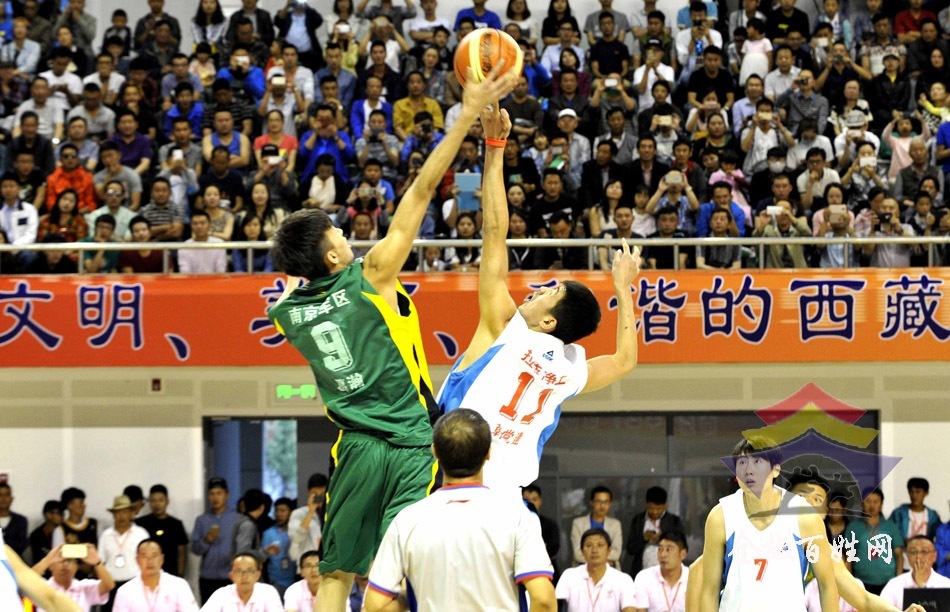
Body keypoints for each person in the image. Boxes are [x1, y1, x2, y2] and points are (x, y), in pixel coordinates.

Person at [267, 64, 515, 612]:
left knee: (335, 571)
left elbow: (290, 282)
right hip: (407, 444)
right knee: (398, 576)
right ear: (333, 255)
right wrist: (468, 111)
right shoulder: (373, 274)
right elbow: (424, 189)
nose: (345, 228)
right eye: (336, 229)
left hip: (354, 446)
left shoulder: (289, 313)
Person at [437, 100, 639, 494]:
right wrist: (623, 290)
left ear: (549, 323)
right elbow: (625, 360)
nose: (539, 289)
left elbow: (494, 232)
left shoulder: (505, 327)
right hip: (507, 501)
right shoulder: (571, 369)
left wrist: (494, 146)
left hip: (450, 481)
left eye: (551, 292)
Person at [363, 408, 556, 612]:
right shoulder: (517, 516)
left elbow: (376, 606)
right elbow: (543, 600)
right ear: (489, 452)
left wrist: (406, 600)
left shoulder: (407, 520)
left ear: (435, 452)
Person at [699, 437, 839, 611]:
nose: (749, 470)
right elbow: (709, 590)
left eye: (757, 462)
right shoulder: (720, 517)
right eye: (742, 463)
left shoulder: (804, 516)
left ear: (776, 469)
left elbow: (827, 585)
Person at [556, 527, 635, 611]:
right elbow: (558, 607)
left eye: (600, 545)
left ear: (609, 550)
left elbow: (629, 609)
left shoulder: (623, 579)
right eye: (589, 545)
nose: (594, 550)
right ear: (582, 551)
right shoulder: (569, 576)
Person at [191, 477, 243, 604]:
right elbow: (195, 549)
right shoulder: (202, 520)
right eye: (212, 494)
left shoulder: (238, 519)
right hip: (208, 577)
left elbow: (245, 547)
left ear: (227, 495)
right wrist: (206, 540)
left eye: (219, 493)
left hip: (231, 576)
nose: (215, 498)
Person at [112, 539, 198, 611]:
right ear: (137, 560)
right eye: (144, 556)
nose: (150, 561)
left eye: (154, 556)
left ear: (162, 559)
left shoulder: (179, 585)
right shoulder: (125, 591)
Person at [848, 487, 906, 595]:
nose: (872, 505)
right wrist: (850, 582)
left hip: (888, 583)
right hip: (861, 583)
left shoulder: (890, 526)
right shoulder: (853, 527)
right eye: (868, 501)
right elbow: (848, 558)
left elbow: (899, 555)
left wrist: (898, 580)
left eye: (875, 502)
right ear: (862, 503)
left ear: (881, 504)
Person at [31, 543, 113, 611]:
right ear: (50, 566)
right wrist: (46, 561)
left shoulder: (83, 587)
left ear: (76, 567)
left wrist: (97, 562)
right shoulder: (42, 586)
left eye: (70, 560)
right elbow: (21, 581)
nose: (65, 564)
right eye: (61, 560)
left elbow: (109, 585)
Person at [626, 486, 687, 577]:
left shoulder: (674, 521)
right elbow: (630, 548)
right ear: (646, 505)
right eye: (651, 508)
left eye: (658, 509)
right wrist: (644, 538)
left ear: (665, 505)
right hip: (642, 572)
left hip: (668, 572)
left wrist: (663, 537)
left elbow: (683, 546)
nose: (654, 512)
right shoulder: (639, 520)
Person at [136, 484, 189, 578]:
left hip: (171, 573)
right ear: (149, 502)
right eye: (153, 500)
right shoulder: (141, 523)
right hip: (146, 573)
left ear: (167, 501)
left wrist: (180, 574)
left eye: (161, 500)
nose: (157, 504)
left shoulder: (176, 524)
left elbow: (182, 552)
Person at [201, 552, 283, 612]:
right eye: (239, 571)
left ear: (257, 575)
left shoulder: (268, 592)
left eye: (249, 571)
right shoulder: (221, 594)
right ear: (232, 576)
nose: (244, 576)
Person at [631, 530, 689, 612]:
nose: (663, 555)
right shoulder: (644, 577)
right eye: (660, 549)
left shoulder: (693, 578)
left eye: (669, 550)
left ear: (682, 554)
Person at [571, 486, 624, 568]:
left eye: (606, 502)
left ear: (610, 504)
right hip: (583, 569)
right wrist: (602, 559)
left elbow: (616, 553)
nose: (602, 506)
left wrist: (592, 558)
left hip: (610, 570)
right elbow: (577, 554)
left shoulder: (615, 524)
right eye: (599, 502)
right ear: (591, 502)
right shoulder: (578, 523)